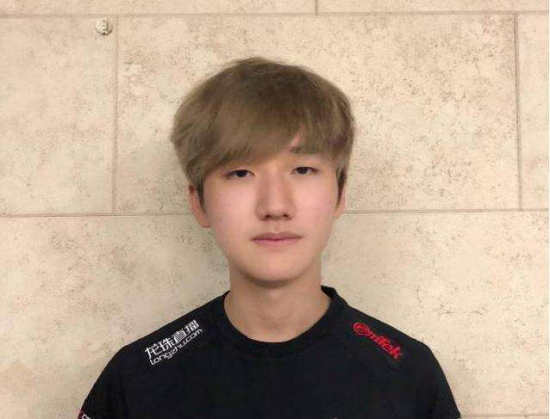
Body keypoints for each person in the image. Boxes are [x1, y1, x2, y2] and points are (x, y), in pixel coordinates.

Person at [78, 56, 461, 419]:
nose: (275, 206)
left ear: (340, 193)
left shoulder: (408, 377)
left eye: (303, 169)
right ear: (199, 202)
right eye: (240, 173)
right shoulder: (136, 381)